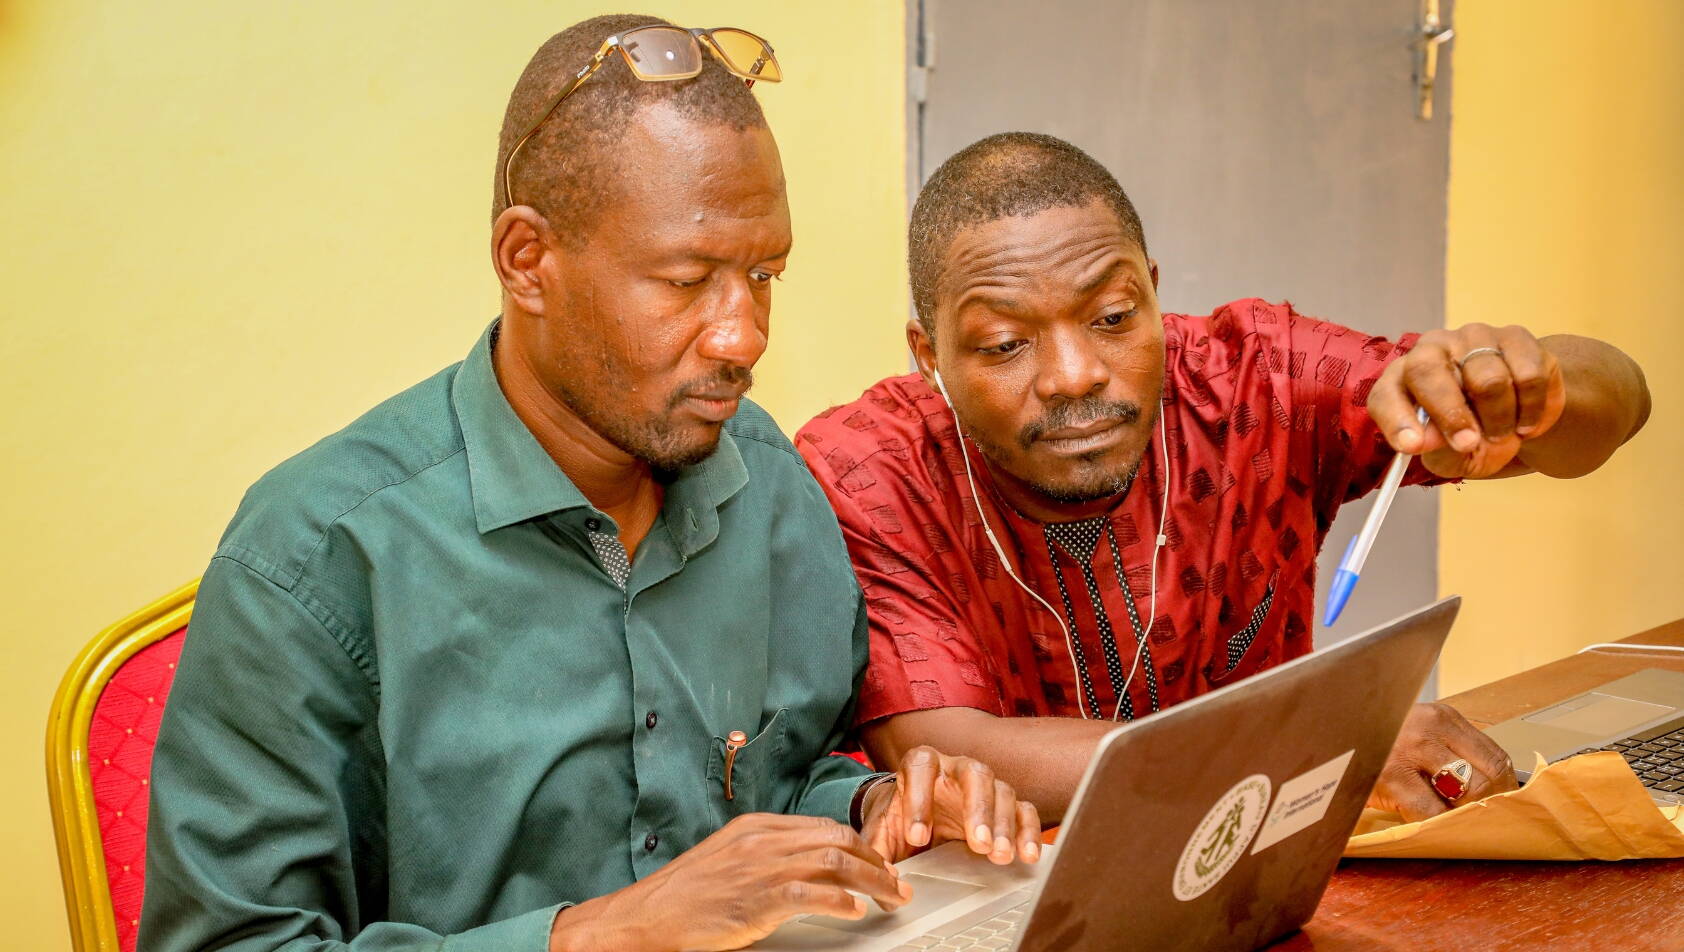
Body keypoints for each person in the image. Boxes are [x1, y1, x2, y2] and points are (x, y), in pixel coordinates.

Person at [140, 18, 1040, 952]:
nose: (744, 335)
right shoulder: (316, 557)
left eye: (763, 273)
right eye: (687, 280)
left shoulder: (765, 481)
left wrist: (871, 810)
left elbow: (785, 772)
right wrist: (604, 933)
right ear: (527, 261)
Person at [796, 132, 1652, 825]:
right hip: (1005, 898)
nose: (1073, 374)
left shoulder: (1257, 380)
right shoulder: (867, 469)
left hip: (1266, 875)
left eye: (1113, 317)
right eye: (1004, 345)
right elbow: (947, 753)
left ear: (1155, 298)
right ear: (927, 355)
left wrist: (1519, 382)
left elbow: (1617, 407)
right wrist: (1306, 747)